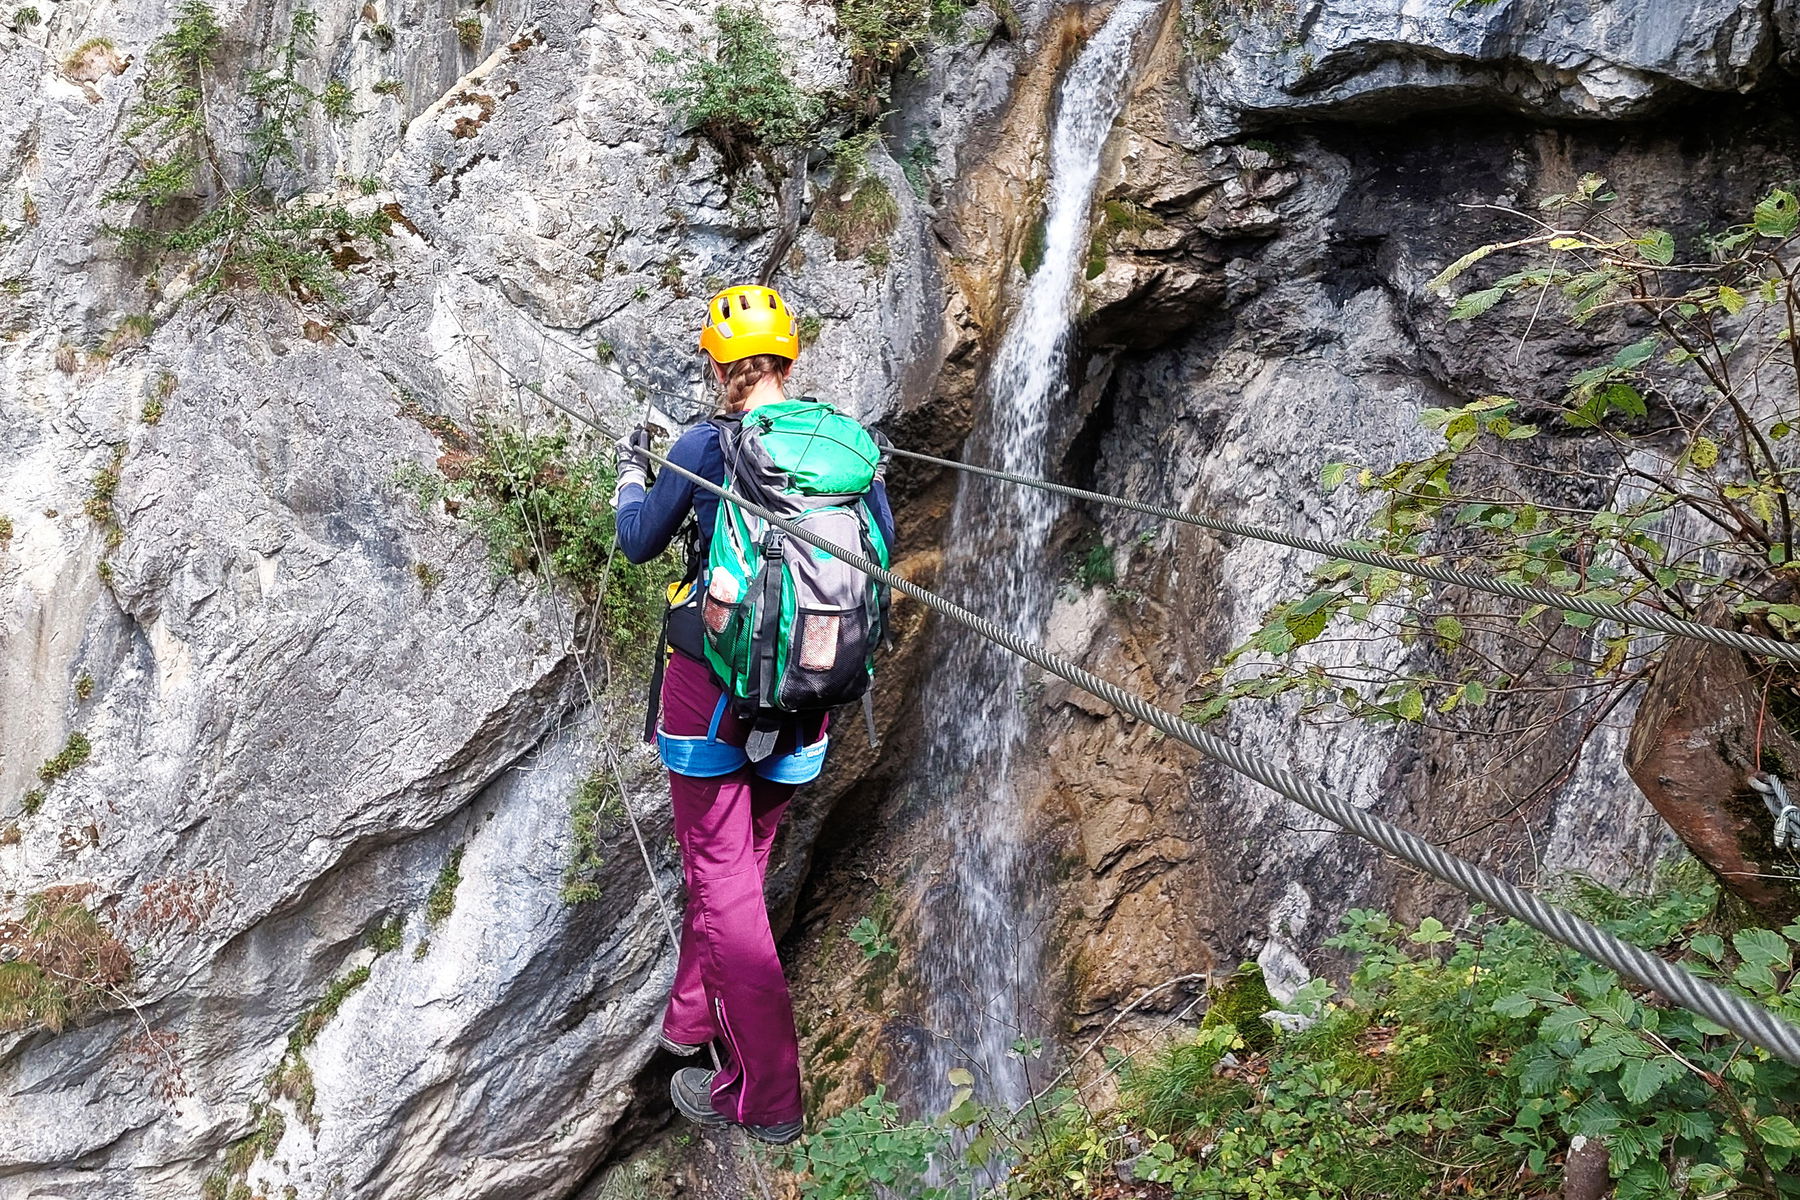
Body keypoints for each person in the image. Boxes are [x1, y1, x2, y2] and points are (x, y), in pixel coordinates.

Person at [613, 284, 896, 1144]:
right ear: (789, 360)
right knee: (749, 859)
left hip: (713, 696)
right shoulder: (849, 450)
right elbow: (881, 561)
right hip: (809, 701)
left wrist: (634, 472)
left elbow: (638, 539)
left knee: (718, 875)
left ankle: (766, 1093)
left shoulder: (706, 445)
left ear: (718, 364)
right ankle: (693, 1019)